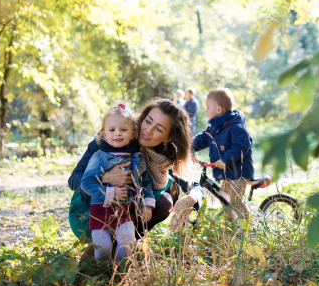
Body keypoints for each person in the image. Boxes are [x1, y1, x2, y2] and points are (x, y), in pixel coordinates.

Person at [68, 99, 204, 262]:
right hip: (92, 208)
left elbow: (194, 186)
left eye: (158, 129)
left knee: (170, 191)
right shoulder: (112, 137)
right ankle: (102, 245)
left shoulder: (163, 156)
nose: (148, 130)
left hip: (125, 210)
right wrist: (105, 178)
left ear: (167, 138)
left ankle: (125, 243)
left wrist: (191, 198)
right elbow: (74, 180)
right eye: (148, 121)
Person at [80, 104, 154, 265]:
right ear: (104, 134)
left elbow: (145, 183)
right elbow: (86, 182)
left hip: (126, 210)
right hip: (101, 209)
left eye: (123, 130)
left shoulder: (138, 157)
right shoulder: (99, 156)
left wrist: (146, 203)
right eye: (112, 130)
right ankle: (102, 272)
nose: (118, 133)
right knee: (103, 246)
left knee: (128, 243)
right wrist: (110, 192)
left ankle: (121, 272)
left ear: (133, 133)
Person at [192, 88, 254, 220]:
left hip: (239, 173)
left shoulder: (236, 127)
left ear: (219, 110)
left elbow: (242, 145)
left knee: (234, 202)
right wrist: (186, 146)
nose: (206, 110)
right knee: (224, 200)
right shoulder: (214, 128)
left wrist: (225, 160)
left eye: (208, 107)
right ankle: (230, 226)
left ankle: (247, 230)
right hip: (228, 173)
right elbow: (202, 139)